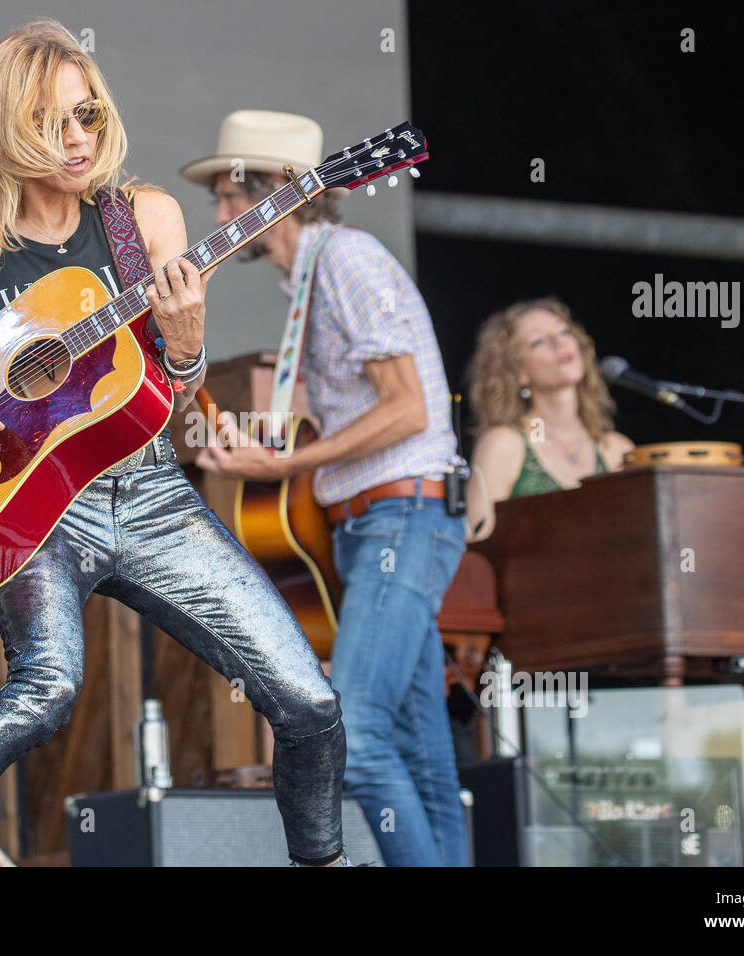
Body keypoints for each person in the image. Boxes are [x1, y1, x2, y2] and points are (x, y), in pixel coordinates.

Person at [0, 22, 349, 868]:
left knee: (310, 702)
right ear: (7, 130)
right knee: (46, 688)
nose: (77, 140)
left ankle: (323, 863)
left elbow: (166, 397)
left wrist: (184, 345)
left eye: (89, 116)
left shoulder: (148, 218)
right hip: (32, 512)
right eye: (52, 122)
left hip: (148, 496)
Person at [188, 111, 468, 866]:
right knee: (417, 749)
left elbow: (408, 408)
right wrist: (267, 450)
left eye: (228, 197)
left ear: (280, 191)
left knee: (361, 734)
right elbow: (336, 415)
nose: (216, 218)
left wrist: (285, 468)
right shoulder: (308, 276)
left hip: (400, 514)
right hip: (373, 523)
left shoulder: (346, 257)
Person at [464, 297, 633, 540]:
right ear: (518, 372)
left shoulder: (615, 450)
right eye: (538, 341)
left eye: (564, 332)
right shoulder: (505, 445)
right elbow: (477, 547)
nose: (559, 342)